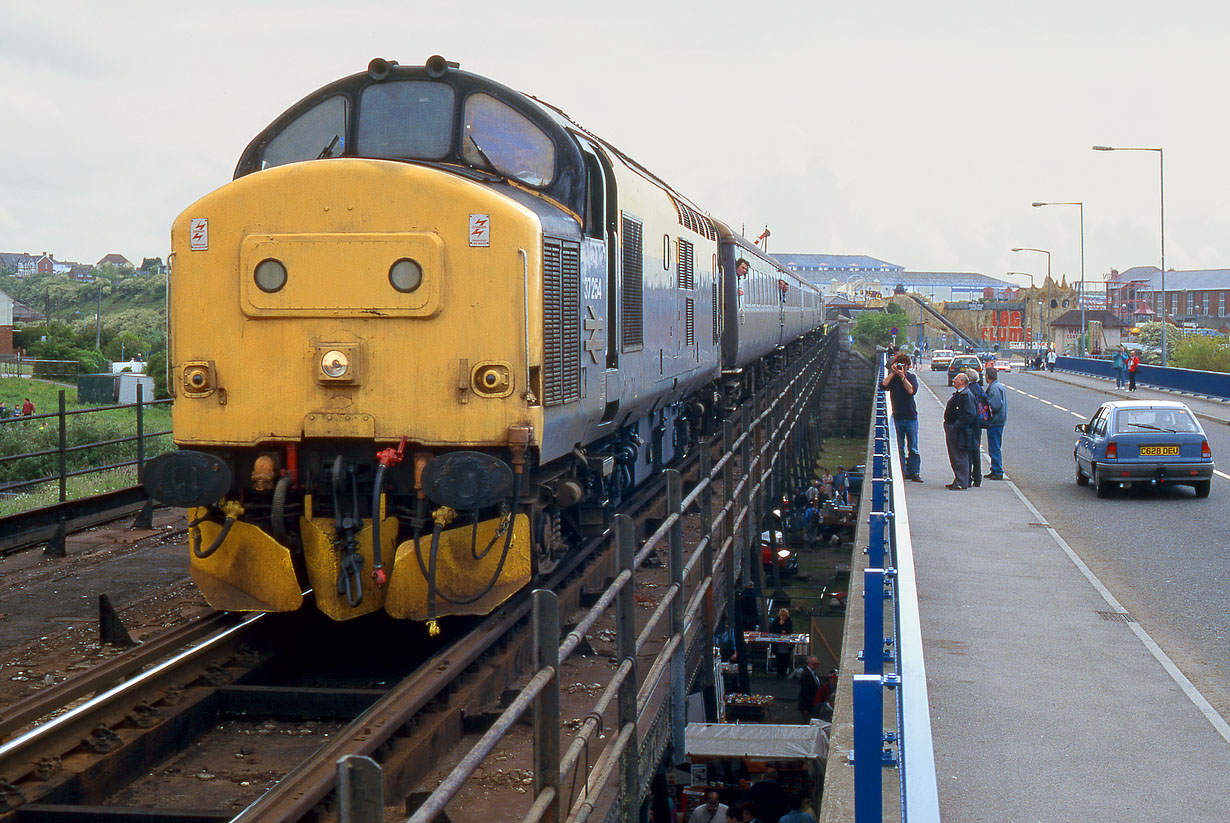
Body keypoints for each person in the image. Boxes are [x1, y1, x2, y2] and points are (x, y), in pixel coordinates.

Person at [880, 352, 922, 481]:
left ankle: (914, 472)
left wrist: (903, 376)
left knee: (913, 447)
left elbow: (911, 391)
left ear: (908, 366)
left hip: (911, 417)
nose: (901, 367)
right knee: (899, 447)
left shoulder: (911, 377)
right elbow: (883, 385)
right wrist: (893, 373)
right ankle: (902, 472)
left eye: (903, 365)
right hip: (898, 417)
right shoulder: (892, 378)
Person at [943, 373, 976, 490]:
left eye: (956, 379)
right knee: (955, 455)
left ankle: (962, 482)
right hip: (954, 428)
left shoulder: (966, 395)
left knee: (959, 456)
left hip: (959, 431)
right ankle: (958, 479)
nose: (953, 380)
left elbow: (970, 414)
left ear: (962, 382)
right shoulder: (961, 394)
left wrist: (956, 426)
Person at [964, 368, 988, 487]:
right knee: (976, 450)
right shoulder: (980, 389)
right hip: (979, 424)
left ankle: (967, 478)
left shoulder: (969, 390)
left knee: (968, 451)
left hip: (970, 424)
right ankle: (977, 478)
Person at [983, 366, 1008, 480]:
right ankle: (994, 468)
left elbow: (995, 405)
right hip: (997, 421)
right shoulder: (997, 386)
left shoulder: (994, 389)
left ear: (988, 376)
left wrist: (985, 411)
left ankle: (997, 470)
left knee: (994, 447)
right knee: (994, 446)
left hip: (996, 422)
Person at [769, 608, 794, 678]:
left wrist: (785, 630)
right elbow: (772, 630)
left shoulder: (789, 622)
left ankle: (784, 672)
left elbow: (790, 630)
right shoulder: (775, 621)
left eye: (784, 616)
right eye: (782, 615)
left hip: (786, 644)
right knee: (779, 658)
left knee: (786, 658)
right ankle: (779, 672)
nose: (783, 617)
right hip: (777, 644)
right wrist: (780, 630)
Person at [798, 656, 823, 721]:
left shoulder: (814, 674)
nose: (816, 666)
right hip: (808, 705)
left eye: (817, 664)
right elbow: (805, 692)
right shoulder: (805, 675)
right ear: (809, 663)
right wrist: (805, 708)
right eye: (814, 664)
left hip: (814, 704)